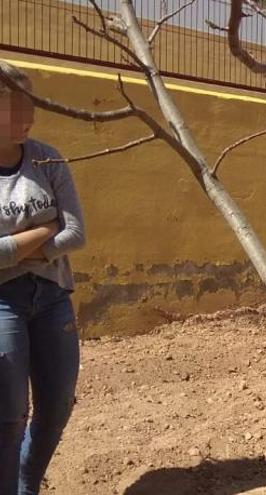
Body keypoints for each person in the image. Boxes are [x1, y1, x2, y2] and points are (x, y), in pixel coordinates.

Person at [0, 61, 86, 495]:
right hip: (2, 304)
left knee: (56, 407)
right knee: (9, 415)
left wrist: (14, 251)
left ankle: (26, 483)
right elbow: (57, 229)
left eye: (29, 104)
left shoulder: (47, 158)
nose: (26, 116)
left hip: (52, 296)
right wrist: (42, 232)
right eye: (12, 106)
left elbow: (75, 233)